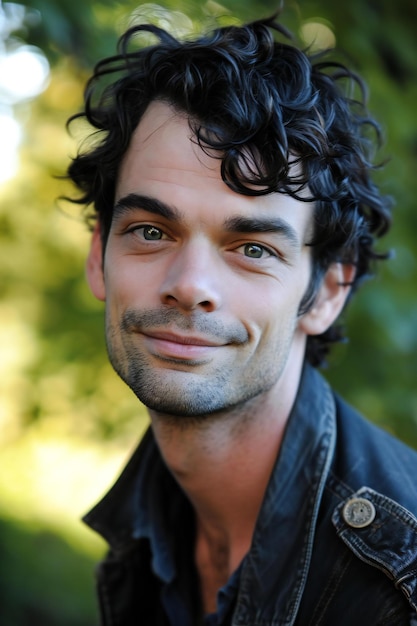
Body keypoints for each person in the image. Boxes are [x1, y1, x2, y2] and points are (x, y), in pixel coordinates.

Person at [66, 12, 417, 626]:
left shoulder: (400, 585)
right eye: (150, 231)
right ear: (99, 257)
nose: (190, 287)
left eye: (253, 249)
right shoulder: (151, 530)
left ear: (328, 290)